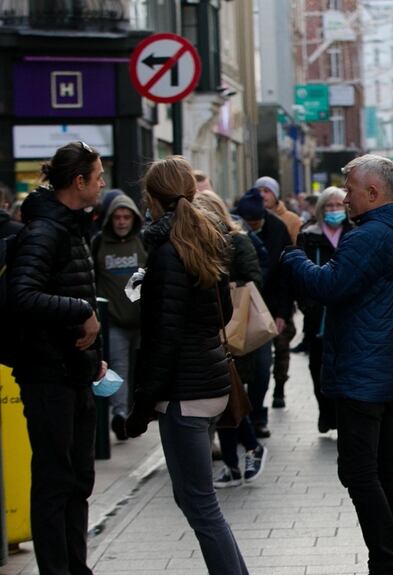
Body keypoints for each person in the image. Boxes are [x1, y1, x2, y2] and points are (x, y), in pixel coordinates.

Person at [281, 154, 393, 575]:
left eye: (350, 187)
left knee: (360, 472)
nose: (345, 196)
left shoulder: (370, 236)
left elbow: (330, 285)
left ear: (373, 192)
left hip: (361, 370)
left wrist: (293, 259)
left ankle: (386, 560)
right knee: (384, 467)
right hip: (387, 367)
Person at [123, 156, 247, 573]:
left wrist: (141, 406)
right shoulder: (207, 237)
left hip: (185, 392)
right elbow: (222, 312)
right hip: (210, 382)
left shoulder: (165, 252)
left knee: (200, 504)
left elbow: (163, 341)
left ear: (151, 198)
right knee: (197, 500)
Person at [8, 141, 107, 575]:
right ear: (78, 181)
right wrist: (82, 312)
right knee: (55, 479)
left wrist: (95, 357)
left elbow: (74, 289)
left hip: (74, 371)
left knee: (77, 480)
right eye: (98, 176)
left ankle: (74, 567)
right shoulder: (45, 230)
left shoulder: (71, 226)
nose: (103, 183)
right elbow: (23, 295)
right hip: (47, 373)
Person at [193, 190, 269, 488]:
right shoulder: (202, 244)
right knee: (224, 398)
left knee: (230, 394)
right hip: (216, 330)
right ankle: (234, 463)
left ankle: (247, 451)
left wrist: (225, 288)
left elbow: (254, 279)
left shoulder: (236, 241)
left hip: (234, 329)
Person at [235, 188, 292, 437]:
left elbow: (284, 275)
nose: (253, 226)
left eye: (257, 222)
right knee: (237, 370)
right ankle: (239, 419)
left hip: (265, 308)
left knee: (262, 365)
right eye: (249, 223)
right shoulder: (233, 228)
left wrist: (282, 313)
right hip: (236, 308)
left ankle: (258, 415)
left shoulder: (277, 229)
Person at [296, 186, 353, 433]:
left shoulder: (355, 234)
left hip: (348, 313)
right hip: (317, 315)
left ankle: (341, 413)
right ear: (320, 209)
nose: (334, 210)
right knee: (317, 365)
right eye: (329, 206)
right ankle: (324, 411)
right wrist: (307, 303)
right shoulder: (309, 236)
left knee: (344, 366)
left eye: (338, 205)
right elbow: (299, 274)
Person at [91, 191, 147, 440]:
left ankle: (137, 414)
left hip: (142, 320)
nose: (122, 221)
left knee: (141, 372)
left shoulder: (143, 241)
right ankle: (120, 416)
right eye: (118, 217)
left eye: (127, 216)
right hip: (114, 321)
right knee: (120, 368)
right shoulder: (99, 243)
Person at [254, 176, 299, 409]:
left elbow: (287, 268)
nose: (263, 195)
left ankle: (279, 387)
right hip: (255, 303)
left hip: (278, 300)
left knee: (281, 347)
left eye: (267, 191)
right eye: (259, 190)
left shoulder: (286, 223)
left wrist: (284, 307)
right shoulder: (246, 222)